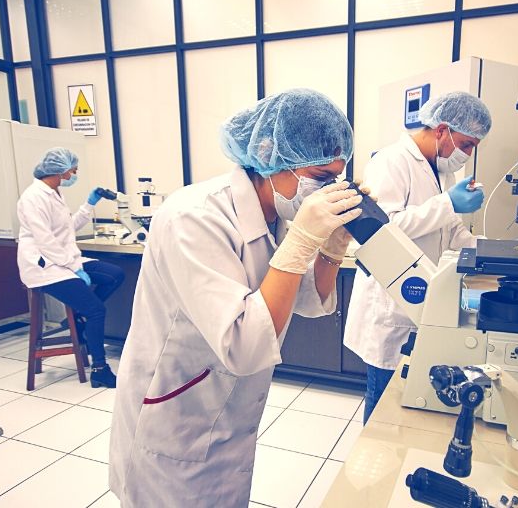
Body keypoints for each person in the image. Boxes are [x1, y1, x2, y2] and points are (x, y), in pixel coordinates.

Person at [109, 89, 365, 506]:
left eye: (336, 177)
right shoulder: (194, 217)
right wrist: (301, 241)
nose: (327, 189)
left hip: (229, 406)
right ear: (271, 157)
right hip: (175, 410)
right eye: (320, 176)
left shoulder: (278, 213)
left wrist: (332, 247)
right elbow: (245, 344)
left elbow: (305, 301)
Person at [344, 91, 492, 424]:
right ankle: (373, 469)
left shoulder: (443, 172)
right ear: (442, 130)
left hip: (422, 297)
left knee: (405, 396)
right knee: (382, 397)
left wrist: (487, 250)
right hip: (390, 305)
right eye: (466, 144)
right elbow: (386, 228)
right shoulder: (391, 161)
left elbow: (449, 229)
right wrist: (448, 204)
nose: (466, 155)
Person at [16, 147, 125, 388]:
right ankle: (99, 369)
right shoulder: (33, 198)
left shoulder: (54, 193)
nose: (75, 174)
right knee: (97, 310)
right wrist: (73, 268)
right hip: (43, 266)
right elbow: (45, 241)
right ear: (62, 170)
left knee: (115, 274)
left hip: (64, 259)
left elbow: (67, 229)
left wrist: (88, 205)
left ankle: (77, 318)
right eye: (73, 170)